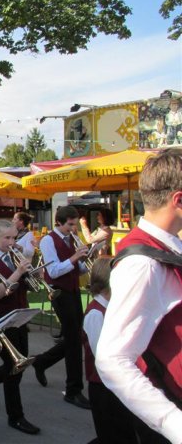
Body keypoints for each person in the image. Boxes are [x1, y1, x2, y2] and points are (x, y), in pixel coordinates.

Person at [96, 149, 182, 444]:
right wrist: (174, 423)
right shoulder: (142, 263)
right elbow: (112, 359)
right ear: (178, 200)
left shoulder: (167, 248)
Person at [0, 220, 40, 435]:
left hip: (20, 314)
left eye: (14, 237)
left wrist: (31, 268)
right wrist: (19, 272)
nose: (12, 242)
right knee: (14, 366)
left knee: (19, 362)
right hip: (1, 317)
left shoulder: (14, 255)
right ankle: (16, 416)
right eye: (7, 238)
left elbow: (31, 284)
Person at [32, 205, 91, 409]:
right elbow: (54, 271)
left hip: (72, 290)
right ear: (59, 222)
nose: (73, 229)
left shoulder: (71, 239)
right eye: (70, 225)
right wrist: (74, 258)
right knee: (73, 340)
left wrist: (83, 260)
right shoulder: (48, 240)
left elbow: (77, 269)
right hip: (59, 292)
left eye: (75, 225)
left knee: (75, 338)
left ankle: (42, 362)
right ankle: (73, 390)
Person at [82, 257, 140, 444]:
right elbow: (102, 357)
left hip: (117, 384)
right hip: (104, 387)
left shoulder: (113, 308)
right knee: (114, 436)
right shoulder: (95, 313)